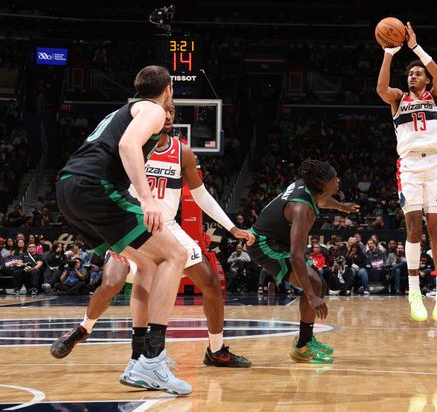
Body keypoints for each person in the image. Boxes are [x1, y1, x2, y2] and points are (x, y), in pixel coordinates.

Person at [50, 102, 254, 380]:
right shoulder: (132, 142)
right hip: (129, 220)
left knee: (210, 283)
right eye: (164, 110)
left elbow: (201, 194)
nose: (167, 115)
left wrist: (231, 227)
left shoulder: (182, 151)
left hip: (167, 225)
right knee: (112, 282)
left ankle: (216, 350)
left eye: (171, 111)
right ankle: (85, 328)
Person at [53, 65, 192, 395]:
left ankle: (138, 357)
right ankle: (153, 362)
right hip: (94, 188)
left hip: (67, 190)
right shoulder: (154, 110)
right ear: (168, 89)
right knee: (177, 254)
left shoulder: (124, 110)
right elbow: (129, 146)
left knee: (146, 263)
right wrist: (147, 200)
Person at [246, 159, 359, 363]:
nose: (338, 180)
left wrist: (341, 207)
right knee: (314, 285)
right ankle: (302, 347)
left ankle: (306, 340)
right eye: (335, 178)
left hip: (277, 240)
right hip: (263, 244)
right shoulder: (302, 210)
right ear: (324, 184)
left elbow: (322, 200)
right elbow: (296, 256)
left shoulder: (309, 187)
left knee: (319, 284)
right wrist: (311, 297)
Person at [376, 22, 437, 322]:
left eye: (417, 73)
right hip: (408, 167)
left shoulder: (436, 97)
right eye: (410, 73)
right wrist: (389, 53)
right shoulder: (398, 99)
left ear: (425, 79)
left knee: (436, 231)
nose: (413, 75)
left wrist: (416, 47)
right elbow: (381, 88)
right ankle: (414, 291)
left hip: (434, 165)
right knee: (414, 230)